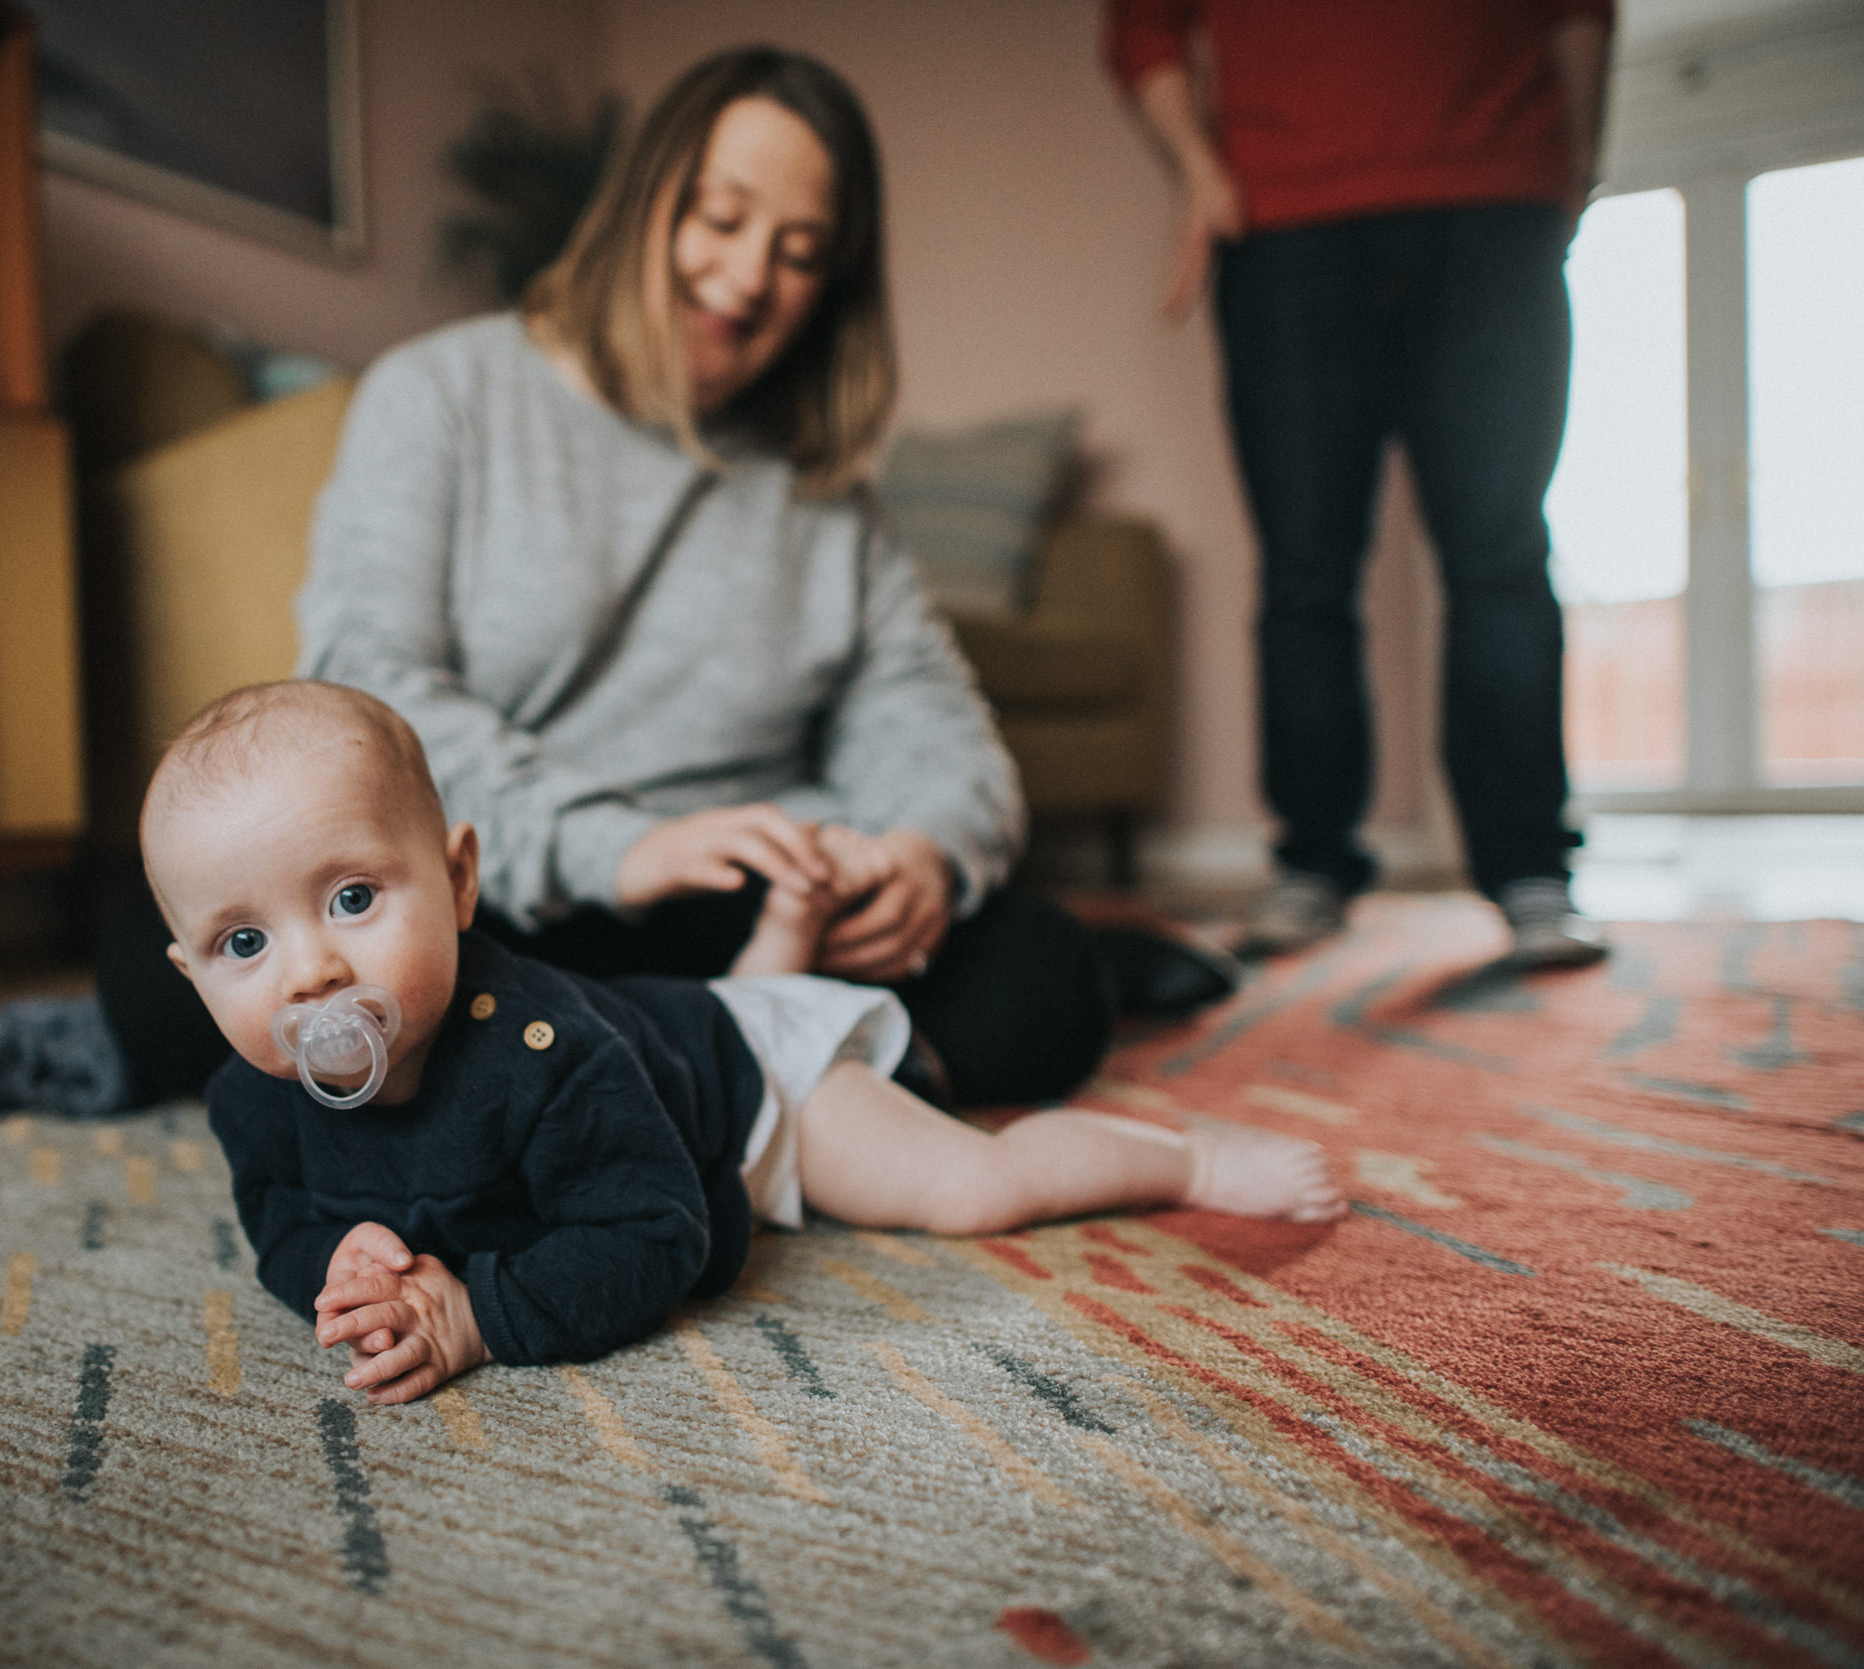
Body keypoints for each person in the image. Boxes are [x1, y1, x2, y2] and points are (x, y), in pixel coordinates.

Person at [98, 45, 1235, 1119]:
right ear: (644, 198)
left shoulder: (824, 494)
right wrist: (619, 847)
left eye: (799, 252)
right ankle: (762, 1089)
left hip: (741, 912)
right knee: (160, 993)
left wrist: (923, 852)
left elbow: (930, 718)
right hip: (501, 901)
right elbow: (365, 688)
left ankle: (653, 1085)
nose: (747, 279)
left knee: (1036, 981)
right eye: (721, 217)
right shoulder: (440, 395)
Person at [146, 681, 1343, 1403]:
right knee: (689, 1011)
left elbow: (654, 1232)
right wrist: (339, 1260)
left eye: (353, 898)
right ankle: (782, 931)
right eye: (242, 943)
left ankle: (1183, 1161)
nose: (311, 969)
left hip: (753, 1079)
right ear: (191, 973)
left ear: (460, 882)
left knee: (967, 1185)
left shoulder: (543, 1056)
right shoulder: (250, 1096)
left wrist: (479, 1314)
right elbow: (282, 1219)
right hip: (670, 1026)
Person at [1108, 0, 1615, 968]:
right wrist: (1198, 168)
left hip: (1496, 193)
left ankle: (1529, 872)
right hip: (1284, 222)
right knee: (1304, 570)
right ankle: (1311, 861)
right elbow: (1142, 25)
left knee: (1501, 553)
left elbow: (1583, 9)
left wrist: (1574, 160)